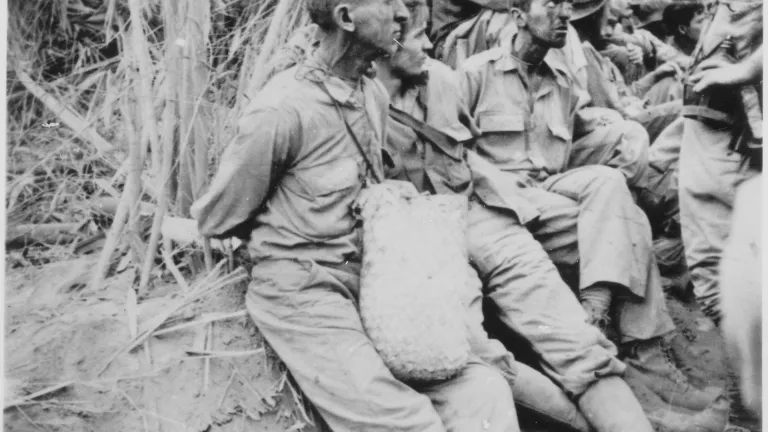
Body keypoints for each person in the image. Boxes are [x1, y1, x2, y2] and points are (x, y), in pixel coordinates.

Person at [189, 0, 520, 430]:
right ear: (346, 18)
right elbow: (218, 219)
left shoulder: (372, 95)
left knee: (483, 391)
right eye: (389, 3)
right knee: (408, 421)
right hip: (302, 294)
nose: (404, 14)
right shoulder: (283, 110)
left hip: (368, 280)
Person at [376, 2, 670, 431]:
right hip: (421, 246)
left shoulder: (440, 80)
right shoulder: (353, 105)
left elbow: (465, 154)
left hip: (491, 217)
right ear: (387, 38)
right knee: (474, 356)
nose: (430, 44)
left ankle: (633, 351)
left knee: (579, 344)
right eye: (418, 34)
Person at [456, 0, 723, 418]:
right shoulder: (476, 72)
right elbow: (452, 148)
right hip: (496, 207)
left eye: (567, 7)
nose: (564, 15)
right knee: (629, 220)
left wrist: (622, 126)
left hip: (547, 192)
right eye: (551, 5)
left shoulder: (561, 78)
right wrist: (498, 184)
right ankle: (643, 360)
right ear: (519, 14)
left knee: (610, 183)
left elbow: (578, 131)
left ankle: (603, 318)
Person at [679, 0, 763, 424]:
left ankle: (744, 408)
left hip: (727, 146)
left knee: (724, 280)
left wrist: (746, 71)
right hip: (712, 141)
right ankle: (741, 402)